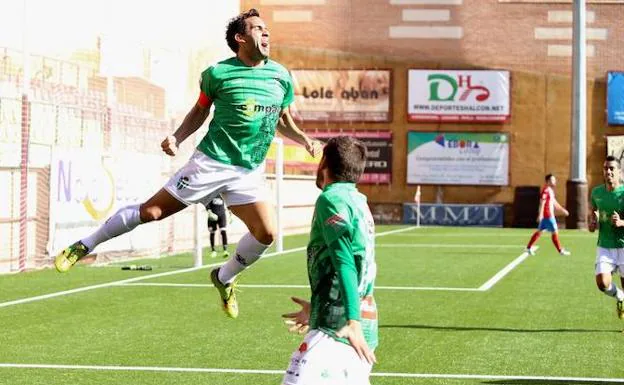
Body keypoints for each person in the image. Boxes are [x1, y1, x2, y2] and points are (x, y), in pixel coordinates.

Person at [53, 8, 323, 319]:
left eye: (266, 29)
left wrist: (305, 140)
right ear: (240, 38)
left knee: (266, 234)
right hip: (211, 163)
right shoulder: (217, 74)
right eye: (258, 29)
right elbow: (199, 112)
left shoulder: (280, 76)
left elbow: (283, 121)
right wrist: (178, 137)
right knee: (151, 212)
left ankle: (224, 278)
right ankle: (84, 245)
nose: (266, 33)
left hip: (248, 171)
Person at [281, 136, 377, 385]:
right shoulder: (357, 200)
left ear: (324, 162)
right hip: (353, 318)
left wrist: (351, 321)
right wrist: (317, 308)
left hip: (340, 326)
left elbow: (345, 261)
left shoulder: (331, 199)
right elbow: (360, 263)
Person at [589, 155, 624, 320]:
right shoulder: (596, 193)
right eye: (606, 168)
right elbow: (594, 213)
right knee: (602, 283)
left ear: (619, 172)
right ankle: (619, 296)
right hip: (605, 244)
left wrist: (622, 222)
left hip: (623, 246)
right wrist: (592, 222)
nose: (608, 171)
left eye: (612, 168)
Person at [524, 173, 571, 256]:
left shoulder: (550, 191)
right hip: (548, 216)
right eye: (553, 180)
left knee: (539, 232)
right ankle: (560, 251)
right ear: (548, 181)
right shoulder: (546, 190)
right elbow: (542, 202)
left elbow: (554, 203)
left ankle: (528, 247)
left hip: (547, 216)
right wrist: (540, 214)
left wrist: (563, 210)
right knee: (555, 232)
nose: (555, 181)